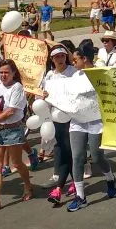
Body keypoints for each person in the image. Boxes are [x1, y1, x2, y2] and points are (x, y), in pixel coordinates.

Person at [66, 42, 116, 212]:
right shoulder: (75, 77)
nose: (73, 64)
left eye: (76, 60)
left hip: (96, 121)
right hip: (78, 122)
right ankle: (80, 196)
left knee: (97, 156)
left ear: (85, 59)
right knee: (78, 157)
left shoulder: (100, 74)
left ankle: (110, 178)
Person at [0, 59, 34, 214]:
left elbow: (10, 111)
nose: (4, 75)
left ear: (13, 73)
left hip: (12, 130)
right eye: (2, 72)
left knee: (17, 163)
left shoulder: (17, 87)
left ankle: (27, 185)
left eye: (7, 72)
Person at [43, 45, 78, 206]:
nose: (60, 59)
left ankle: (61, 188)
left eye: (62, 56)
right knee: (64, 153)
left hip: (73, 118)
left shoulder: (73, 72)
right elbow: (46, 98)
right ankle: (67, 186)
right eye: (57, 57)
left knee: (70, 153)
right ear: (52, 59)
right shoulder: (50, 76)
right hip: (56, 120)